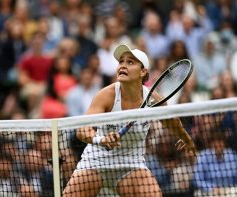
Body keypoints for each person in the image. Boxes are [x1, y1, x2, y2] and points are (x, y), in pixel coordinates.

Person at [63, 44, 196, 197]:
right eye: (121, 62)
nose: (123, 66)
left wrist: (186, 138)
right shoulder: (106, 95)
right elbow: (82, 129)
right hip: (96, 163)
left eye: (130, 62)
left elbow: (171, 122)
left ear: (143, 71)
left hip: (131, 165)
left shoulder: (153, 99)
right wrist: (101, 139)